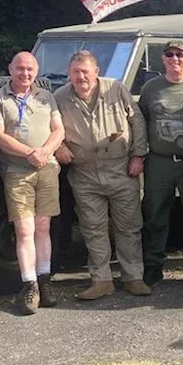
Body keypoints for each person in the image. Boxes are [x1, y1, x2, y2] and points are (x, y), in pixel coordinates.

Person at [53, 51, 150, 301]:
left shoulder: (115, 90)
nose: (81, 76)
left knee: (128, 225)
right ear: (69, 73)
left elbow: (136, 120)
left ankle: (133, 276)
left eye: (85, 71)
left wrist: (138, 155)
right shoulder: (59, 97)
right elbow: (49, 127)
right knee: (92, 227)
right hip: (83, 172)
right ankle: (101, 279)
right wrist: (58, 147)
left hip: (120, 167)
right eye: (75, 71)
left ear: (96, 71)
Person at [0, 52, 65, 314]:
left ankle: (45, 281)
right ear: (10, 69)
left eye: (30, 69)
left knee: (43, 227)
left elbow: (59, 130)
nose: (25, 74)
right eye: (20, 68)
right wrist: (28, 153)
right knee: (24, 229)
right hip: (16, 171)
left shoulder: (46, 97)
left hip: (46, 168)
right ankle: (29, 284)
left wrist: (44, 152)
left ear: (37, 71)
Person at [139, 40, 183, 287]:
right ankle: (154, 265)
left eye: (180, 54)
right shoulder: (151, 88)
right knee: (155, 214)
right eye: (169, 54)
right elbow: (141, 123)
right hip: (160, 161)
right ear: (163, 59)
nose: (174, 58)